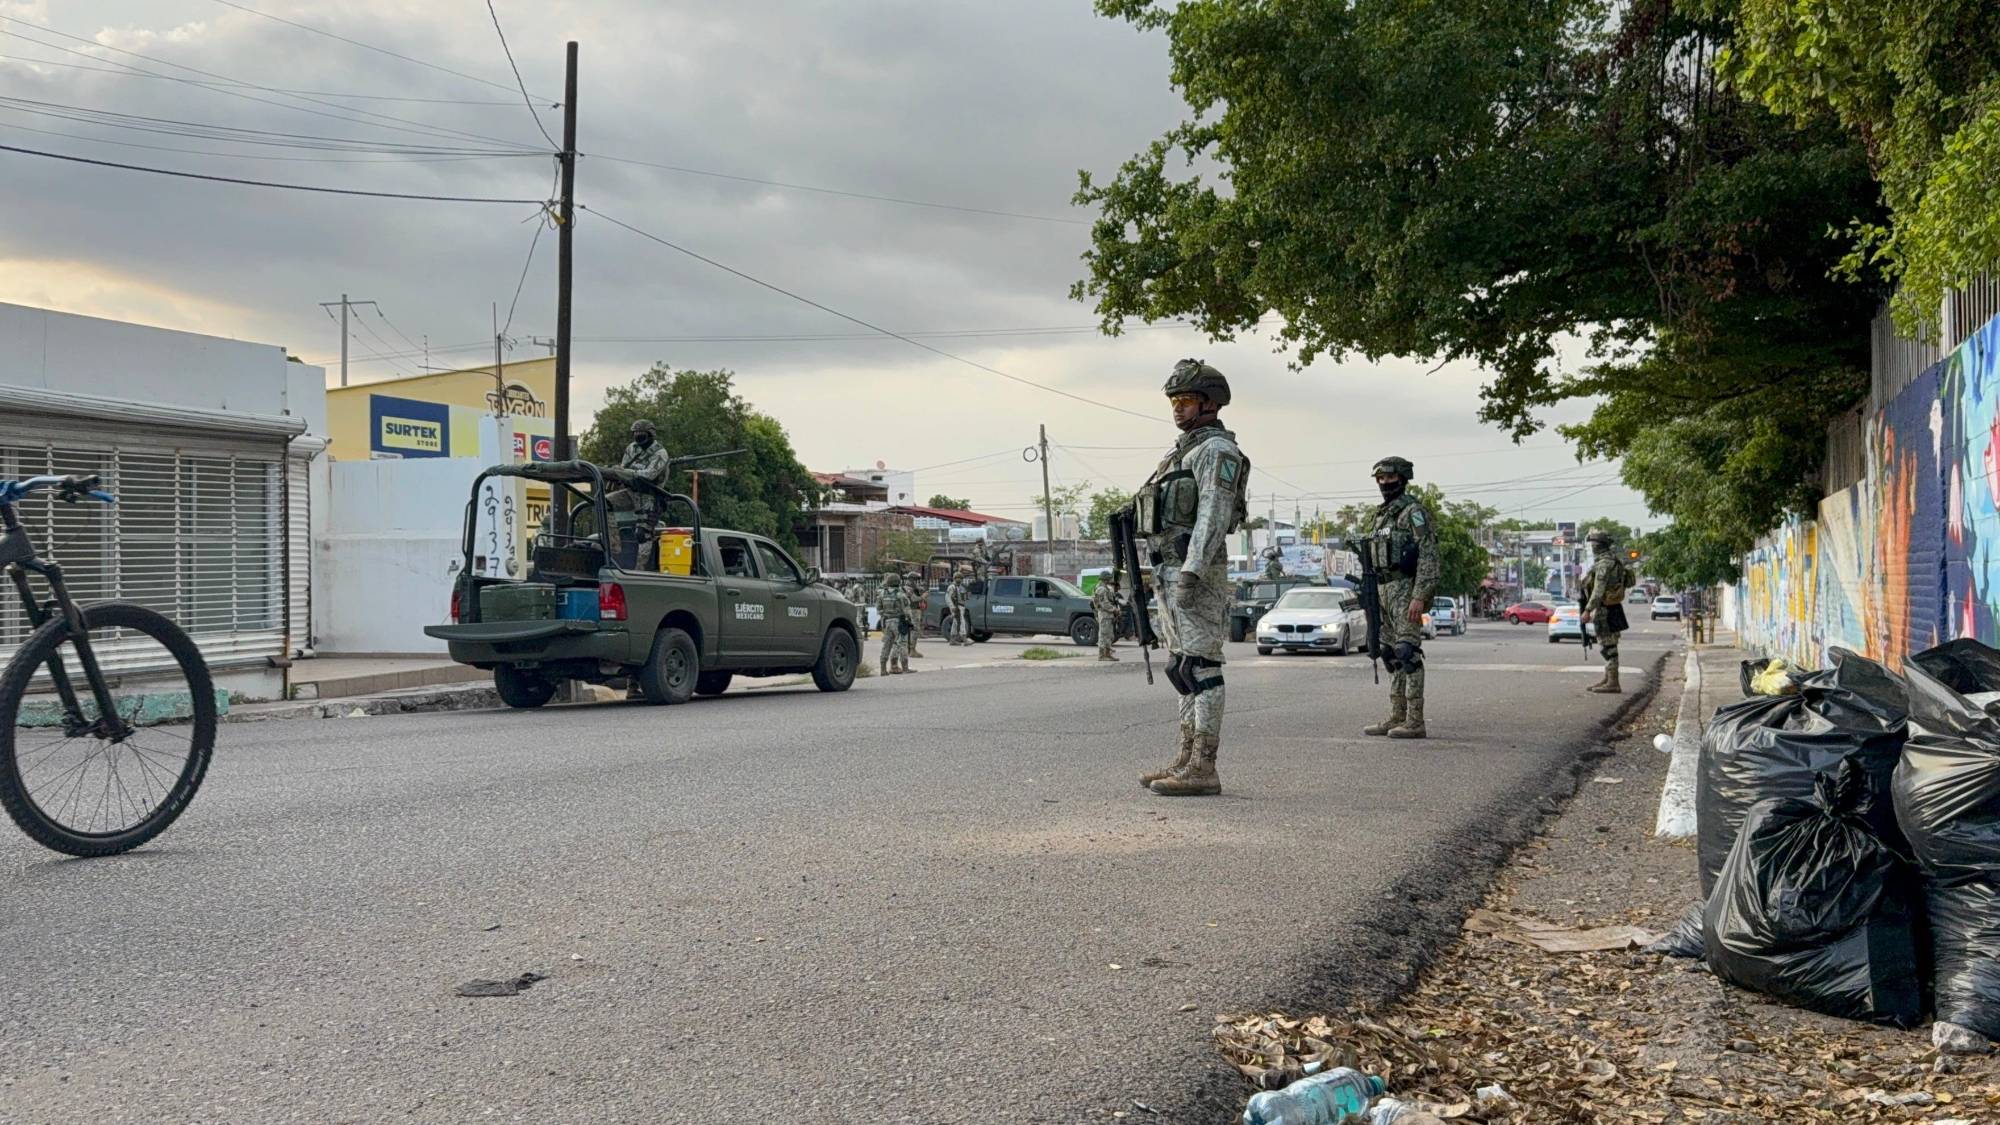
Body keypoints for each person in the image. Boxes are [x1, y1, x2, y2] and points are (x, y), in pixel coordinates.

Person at [1135, 359, 1251, 797]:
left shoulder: (1217, 451)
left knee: (1202, 665)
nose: (1177, 409)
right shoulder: (1179, 452)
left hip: (1193, 571)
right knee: (1181, 666)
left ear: (1209, 403)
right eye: (1173, 401)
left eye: (1185, 400)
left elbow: (1213, 516)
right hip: (1168, 568)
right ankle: (1185, 758)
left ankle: (1204, 766)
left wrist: (1192, 571)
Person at [1358, 456, 1438, 739]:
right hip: (1381, 590)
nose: (1384, 483)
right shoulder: (1380, 515)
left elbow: (1428, 554)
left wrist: (1420, 595)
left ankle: (1415, 720)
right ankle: (1397, 715)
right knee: (1389, 653)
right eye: (1380, 478)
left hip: (1405, 590)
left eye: (1389, 478)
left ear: (1402, 479)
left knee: (1408, 653)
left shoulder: (1413, 512)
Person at [610, 419, 670, 570]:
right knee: (604, 503)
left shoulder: (660, 453)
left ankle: (640, 571)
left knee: (643, 534)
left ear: (650, 435)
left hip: (650, 495)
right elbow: (623, 467)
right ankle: (613, 548)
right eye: (635, 434)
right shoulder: (632, 448)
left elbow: (649, 475)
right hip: (631, 492)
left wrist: (626, 473)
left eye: (641, 435)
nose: (638, 437)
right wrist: (615, 474)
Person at [1578, 529, 1632, 694]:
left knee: (1608, 646)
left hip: (1605, 609)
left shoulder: (1604, 564)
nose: (1592, 547)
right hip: (1611, 607)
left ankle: (1613, 682)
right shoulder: (1614, 561)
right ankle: (1608, 678)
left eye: (1593, 544)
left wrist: (1588, 610)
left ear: (1598, 546)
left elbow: (1598, 589)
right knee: (1607, 644)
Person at [875, 573, 911, 675]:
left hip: (886, 622)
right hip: (898, 621)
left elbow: (878, 609)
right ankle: (905, 668)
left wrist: (885, 615)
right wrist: (909, 621)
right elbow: (907, 610)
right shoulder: (901, 595)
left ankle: (883, 669)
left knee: (887, 645)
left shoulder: (882, 594)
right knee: (902, 643)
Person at [1092, 574, 1124, 661]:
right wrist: (1115, 610)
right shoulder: (1101, 589)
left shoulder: (1105, 588)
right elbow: (1104, 604)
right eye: (1109, 578)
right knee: (1104, 635)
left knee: (1109, 635)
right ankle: (1102, 655)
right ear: (1106, 579)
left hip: (1107, 615)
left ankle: (1107, 654)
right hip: (1104, 615)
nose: (1111, 580)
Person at [946, 566, 972, 645]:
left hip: (961, 606)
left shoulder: (960, 587)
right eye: (957, 578)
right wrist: (952, 607)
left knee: (955, 623)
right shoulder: (952, 587)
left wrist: (967, 596)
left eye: (960, 578)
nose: (959, 579)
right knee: (961, 622)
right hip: (956, 607)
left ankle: (952, 639)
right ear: (954, 578)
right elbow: (947, 598)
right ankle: (964, 639)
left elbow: (963, 597)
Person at [903, 570, 926, 658]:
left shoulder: (911, 587)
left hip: (914, 610)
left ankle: (911, 649)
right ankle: (912, 650)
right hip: (912, 610)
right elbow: (914, 599)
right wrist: (922, 597)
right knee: (914, 630)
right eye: (915, 580)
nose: (916, 582)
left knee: (913, 630)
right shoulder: (908, 588)